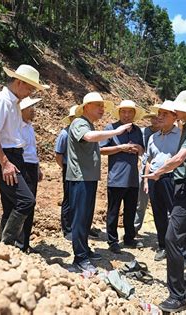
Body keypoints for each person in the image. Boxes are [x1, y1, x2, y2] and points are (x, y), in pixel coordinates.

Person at [144, 90, 186, 313]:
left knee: (172, 238)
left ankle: (177, 297)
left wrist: (158, 172)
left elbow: (180, 157)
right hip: (185, 185)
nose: (174, 111)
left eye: (177, 108)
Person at [0, 64, 48, 249]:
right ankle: (8, 245)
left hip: (13, 156)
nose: (30, 92)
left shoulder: (13, 103)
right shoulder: (1, 101)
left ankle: (0, 248)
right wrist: (5, 162)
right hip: (4, 156)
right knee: (26, 201)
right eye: (29, 88)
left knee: (11, 205)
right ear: (19, 83)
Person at [67, 92, 132, 273]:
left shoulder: (88, 124)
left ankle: (84, 250)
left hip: (88, 178)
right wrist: (116, 132)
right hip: (80, 178)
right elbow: (88, 137)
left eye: (103, 106)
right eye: (98, 106)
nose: (102, 109)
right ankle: (79, 258)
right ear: (86, 107)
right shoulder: (79, 123)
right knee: (80, 218)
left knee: (86, 217)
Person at [100, 100, 145, 254]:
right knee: (113, 210)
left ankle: (129, 237)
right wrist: (120, 148)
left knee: (131, 210)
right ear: (119, 113)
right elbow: (102, 150)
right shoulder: (111, 129)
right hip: (116, 178)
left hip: (133, 178)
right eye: (123, 112)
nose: (126, 115)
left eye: (130, 112)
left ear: (134, 114)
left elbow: (142, 150)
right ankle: (112, 241)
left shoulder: (138, 131)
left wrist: (138, 148)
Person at [143, 100, 181, 261]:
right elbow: (149, 160)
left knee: (175, 213)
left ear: (174, 116)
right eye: (160, 113)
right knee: (158, 213)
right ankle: (163, 246)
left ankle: (178, 248)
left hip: (171, 178)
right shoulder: (153, 137)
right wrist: (146, 180)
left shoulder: (181, 136)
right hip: (153, 178)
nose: (161, 116)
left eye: (165, 114)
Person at [18, 96, 44, 253]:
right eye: (30, 108)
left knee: (31, 204)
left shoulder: (29, 126)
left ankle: (25, 243)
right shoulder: (17, 127)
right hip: (23, 167)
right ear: (22, 110)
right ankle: (19, 243)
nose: (34, 110)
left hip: (32, 167)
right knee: (25, 203)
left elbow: (33, 150)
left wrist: (38, 168)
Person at [134, 108, 160, 233]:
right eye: (153, 117)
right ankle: (134, 228)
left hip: (161, 170)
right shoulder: (143, 132)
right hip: (145, 168)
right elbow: (138, 147)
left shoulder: (165, 133)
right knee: (141, 201)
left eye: (157, 117)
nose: (155, 120)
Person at [55, 105, 78, 240]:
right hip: (69, 169)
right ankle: (67, 228)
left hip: (81, 171)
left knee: (79, 199)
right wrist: (64, 167)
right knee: (69, 199)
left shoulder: (83, 133)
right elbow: (58, 155)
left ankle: (77, 226)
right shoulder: (65, 134)